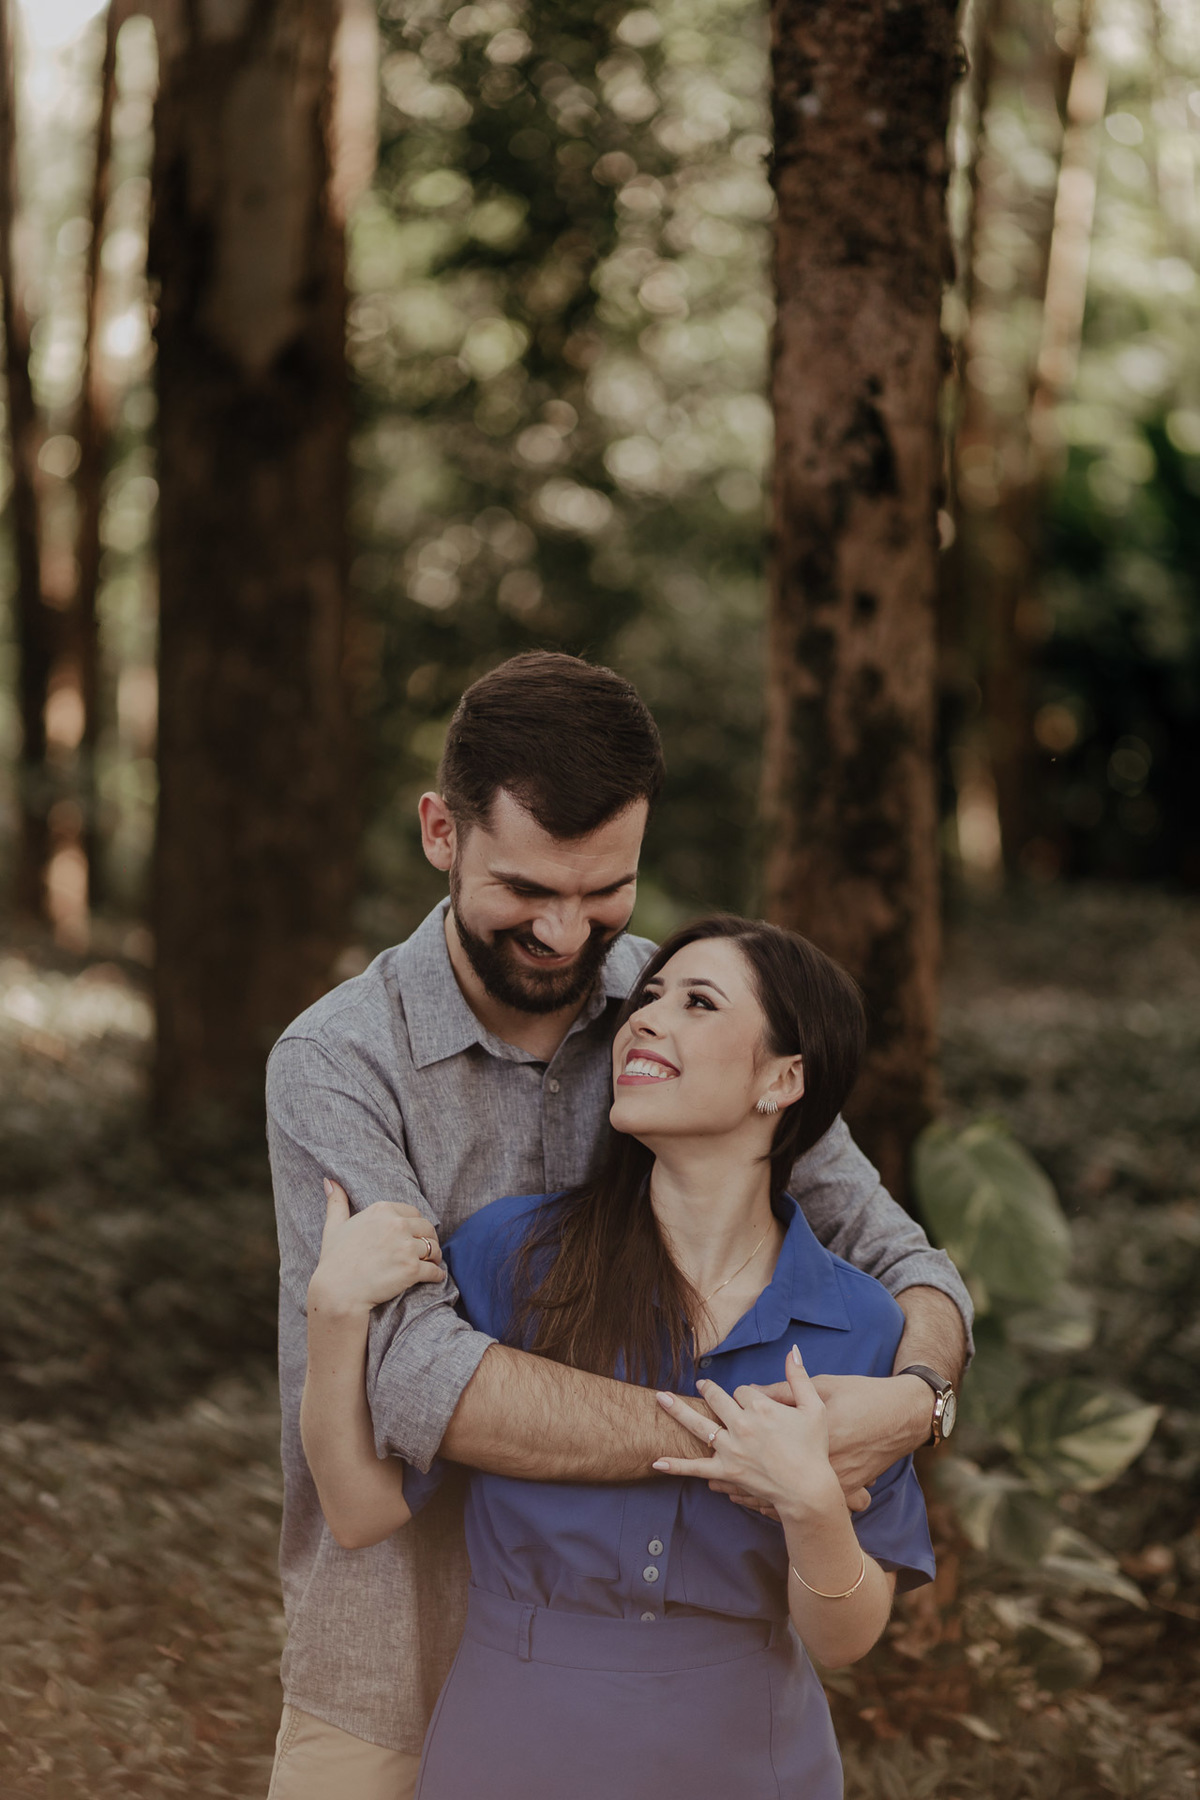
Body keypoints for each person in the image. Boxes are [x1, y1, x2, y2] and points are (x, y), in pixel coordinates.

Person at [266, 652, 970, 1799]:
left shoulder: (678, 1004)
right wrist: (756, 1445)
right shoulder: (338, 1063)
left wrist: (917, 1395)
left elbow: (898, 1255)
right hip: (388, 1656)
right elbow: (416, 1378)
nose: (565, 932)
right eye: (529, 889)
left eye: (604, 891)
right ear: (442, 831)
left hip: (698, 1715)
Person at [301, 914, 936, 1798]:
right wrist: (333, 1315)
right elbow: (360, 1509)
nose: (643, 1017)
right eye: (647, 997)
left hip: (753, 1761)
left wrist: (811, 1504)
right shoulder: (509, 1257)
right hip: (509, 1753)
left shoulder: (860, 1324)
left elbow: (843, 1640)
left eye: (698, 1001)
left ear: (783, 1079)